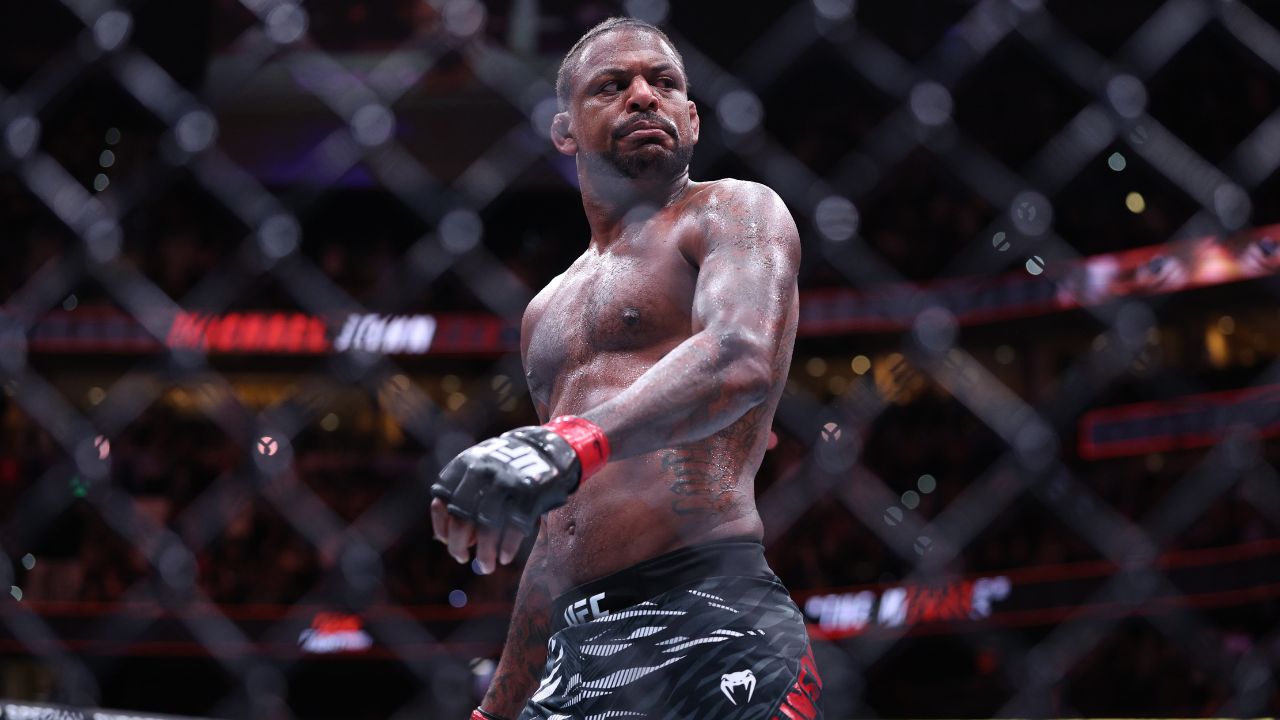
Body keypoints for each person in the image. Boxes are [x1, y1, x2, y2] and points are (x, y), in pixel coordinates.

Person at [430, 16, 821, 720]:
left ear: (691, 118)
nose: (643, 96)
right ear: (564, 130)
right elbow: (560, 529)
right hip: (575, 655)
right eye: (612, 85)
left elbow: (739, 357)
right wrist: (497, 709)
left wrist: (568, 441)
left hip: (710, 619)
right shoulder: (545, 311)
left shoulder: (732, 211)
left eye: (663, 82)